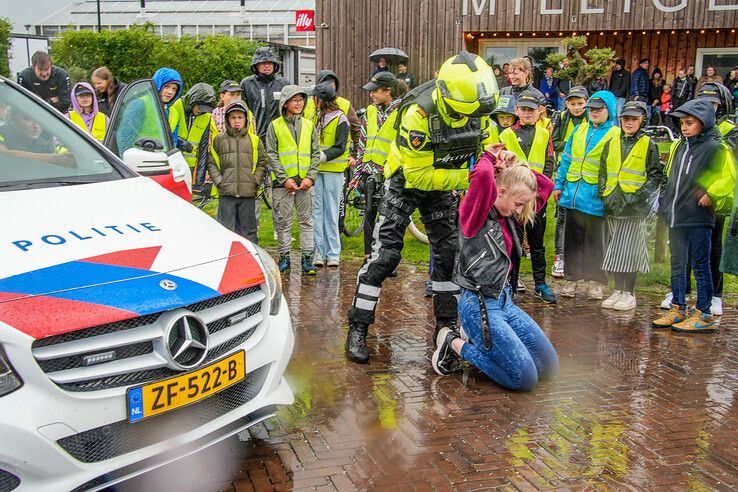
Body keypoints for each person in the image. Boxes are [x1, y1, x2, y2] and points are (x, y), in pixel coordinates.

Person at [344, 51, 498, 364]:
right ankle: (358, 326)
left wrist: (501, 158)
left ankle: (445, 329)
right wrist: (470, 176)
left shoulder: (478, 111)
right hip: (406, 181)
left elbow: (490, 146)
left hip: (440, 185)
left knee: (448, 254)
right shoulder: (419, 114)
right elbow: (418, 174)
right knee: (385, 256)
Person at [431, 146, 559, 390]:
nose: (520, 210)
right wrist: (489, 157)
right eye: (518, 204)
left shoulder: (509, 214)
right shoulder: (476, 215)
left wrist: (516, 168)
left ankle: (484, 345)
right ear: (500, 192)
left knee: (549, 367)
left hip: (506, 303)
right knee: (524, 379)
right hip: (478, 305)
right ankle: (454, 343)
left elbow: (545, 187)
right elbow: (480, 177)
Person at [652, 99, 732, 333]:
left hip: (698, 217)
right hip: (677, 216)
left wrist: (711, 193)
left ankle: (705, 312)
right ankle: (678, 307)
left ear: (704, 122)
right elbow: (671, 178)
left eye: (690, 123)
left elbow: (728, 176)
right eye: (682, 123)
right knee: (678, 264)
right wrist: (666, 203)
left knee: (700, 265)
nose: (684, 128)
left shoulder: (716, 147)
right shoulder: (680, 146)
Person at [554, 91, 620, 299]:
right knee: (572, 239)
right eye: (591, 109)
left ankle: (596, 282)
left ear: (609, 110)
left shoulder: (615, 134)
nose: (594, 112)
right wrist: (559, 185)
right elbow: (566, 159)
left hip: (596, 197)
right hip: (573, 194)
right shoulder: (579, 130)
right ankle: (571, 278)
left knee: (595, 242)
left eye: (599, 109)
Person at [598, 101, 663, 311]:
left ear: (642, 120)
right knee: (615, 250)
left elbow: (654, 175)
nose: (629, 122)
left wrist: (638, 197)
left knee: (631, 250)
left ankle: (629, 292)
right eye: (626, 118)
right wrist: (604, 193)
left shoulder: (648, 144)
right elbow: (603, 170)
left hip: (634, 207)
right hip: (613, 203)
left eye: (634, 119)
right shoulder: (612, 143)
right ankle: (618, 290)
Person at [498, 90, 556, 303]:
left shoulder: (544, 134)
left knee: (537, 243)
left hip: (536, 199)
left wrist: (540, 194)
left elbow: (549, 162)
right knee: (512, 243)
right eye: (523, 109)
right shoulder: (507, 134)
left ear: (539, 112)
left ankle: (540, 283)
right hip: (514, 199)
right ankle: (510, 284)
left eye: (531, 110)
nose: (527, 113)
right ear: (517, 111)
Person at [265, 85, 321, 274]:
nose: (299, 103)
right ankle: (284, 257)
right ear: (285, 103)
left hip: (305, 183)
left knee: (306, 222)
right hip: (283, 185)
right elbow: (271, 154)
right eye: (295, 100)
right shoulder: (275, 126)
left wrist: (310, 177)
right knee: (283, 221)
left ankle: (307, 259)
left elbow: (315, 154)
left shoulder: (309, 125)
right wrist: (283, 179)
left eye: (301, 100)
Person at [352, 72, 403, 259]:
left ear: (388, 91)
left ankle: (386, 258)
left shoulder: (401, 113)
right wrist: (357, 175)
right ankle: (368, 255)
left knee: (389, 218)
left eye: (375, 91)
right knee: (369, 215)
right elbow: (362, 143)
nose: (372, 95)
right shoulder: (370, 111)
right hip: (368, 172)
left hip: (389, 173)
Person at [207, 100, 268, 243]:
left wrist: (255, 181)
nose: (236, 121)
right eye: (233, 117)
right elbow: (212, 162)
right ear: (227, 119)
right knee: (226, 230)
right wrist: (220, 182)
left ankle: (251, 260)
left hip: (248, 192)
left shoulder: (255, 140)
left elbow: (262, 162)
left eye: (240, 117)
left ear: (246, 119)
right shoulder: (219, 140)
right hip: (227, 193)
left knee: (249, 231)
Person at [550, 85, 589, 279]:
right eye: (572, 104)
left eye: (580, 103)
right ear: (567, 104)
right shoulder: (563, 118)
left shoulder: (592, 120)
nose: (576, 107)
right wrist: (573, 145)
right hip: (565, 172)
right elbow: (554, 141)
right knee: (562, 218)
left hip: (585, 178)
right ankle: (560, 256)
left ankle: (582, 260)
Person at [311, 83, 350, 267]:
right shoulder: (316, 117)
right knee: (317, 210)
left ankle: (333, 253)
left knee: (331, 211)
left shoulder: (341, 119)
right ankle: (319, 251)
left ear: (321, 100)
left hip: (333, 170)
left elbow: (340, 147)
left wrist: (321, 156)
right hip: (317, 170)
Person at [304, 70, 361, 161]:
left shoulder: (344, 104)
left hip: (337, 163)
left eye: (332, 85)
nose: (329, 88)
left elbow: (356, 130)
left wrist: (355, 154)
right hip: (312, 163)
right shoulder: (307, 104)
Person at [240, 47, 290, 138]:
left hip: (280, 135)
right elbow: (241, 111)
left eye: (270, 63)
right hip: (255, 135)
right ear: (256, 65)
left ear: (274, 65)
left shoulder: (283, 84)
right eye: (263, 63)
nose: (267, 66)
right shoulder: (247, 84)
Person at [180, 83, 219, 186]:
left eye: (205, 109)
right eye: (199, 107)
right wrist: (179, 143)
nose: (201, 111)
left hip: (189, 169)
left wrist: (198, 182)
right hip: (172, 163)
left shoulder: (206, 117)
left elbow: (203, 149)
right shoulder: (176, 107)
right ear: (192, 101)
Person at [151, 67, 185, 147]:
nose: (170, 92)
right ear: (158, 85)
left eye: (174, 89)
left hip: (160, 157)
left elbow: (173, 142)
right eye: (167, 87)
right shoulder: (142, 103)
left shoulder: (175, 113)